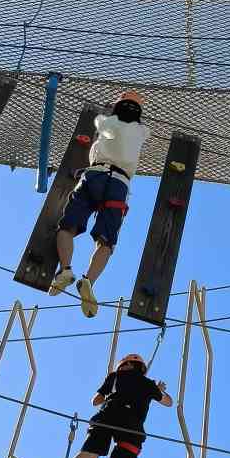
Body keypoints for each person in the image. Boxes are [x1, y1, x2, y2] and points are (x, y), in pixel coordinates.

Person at [48, 91, 150, 317]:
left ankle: (65, 269)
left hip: (95, 175)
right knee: (107, 241)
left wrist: (108, 112)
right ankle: (88, 281)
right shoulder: (142, 130)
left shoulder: (106, 121)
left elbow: (100, 122)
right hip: (120, 184)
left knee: (67, 226)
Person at [46, 353, 172, 458]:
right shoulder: (148, 384)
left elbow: (95, 401)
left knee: (89, 452)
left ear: (124, 365)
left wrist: (111, 394)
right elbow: (168, 402)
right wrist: (159, 390)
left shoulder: (114, 377)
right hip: (132, 424)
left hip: (108, 414)